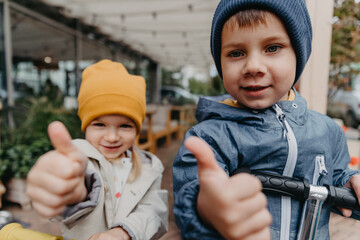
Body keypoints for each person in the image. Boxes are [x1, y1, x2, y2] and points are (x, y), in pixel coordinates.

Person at [172, 0, 360, 239]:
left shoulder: (328, 130)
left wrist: (350, 181)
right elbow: (194, 193)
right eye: (236, 53)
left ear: (299, 54)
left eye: (272, 48)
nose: (253, 66)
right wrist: (209, 209)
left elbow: (337, 178)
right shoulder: (209, 138)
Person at [26, 59, 168, 240]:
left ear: (137, 128)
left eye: (125, 126)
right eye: (100, 124)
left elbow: (154, 211)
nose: (112, 137)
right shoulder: (78, 159)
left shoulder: (149, 167)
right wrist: (70, 192)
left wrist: (123, 233)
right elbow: (80, 183)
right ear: (85, 127)